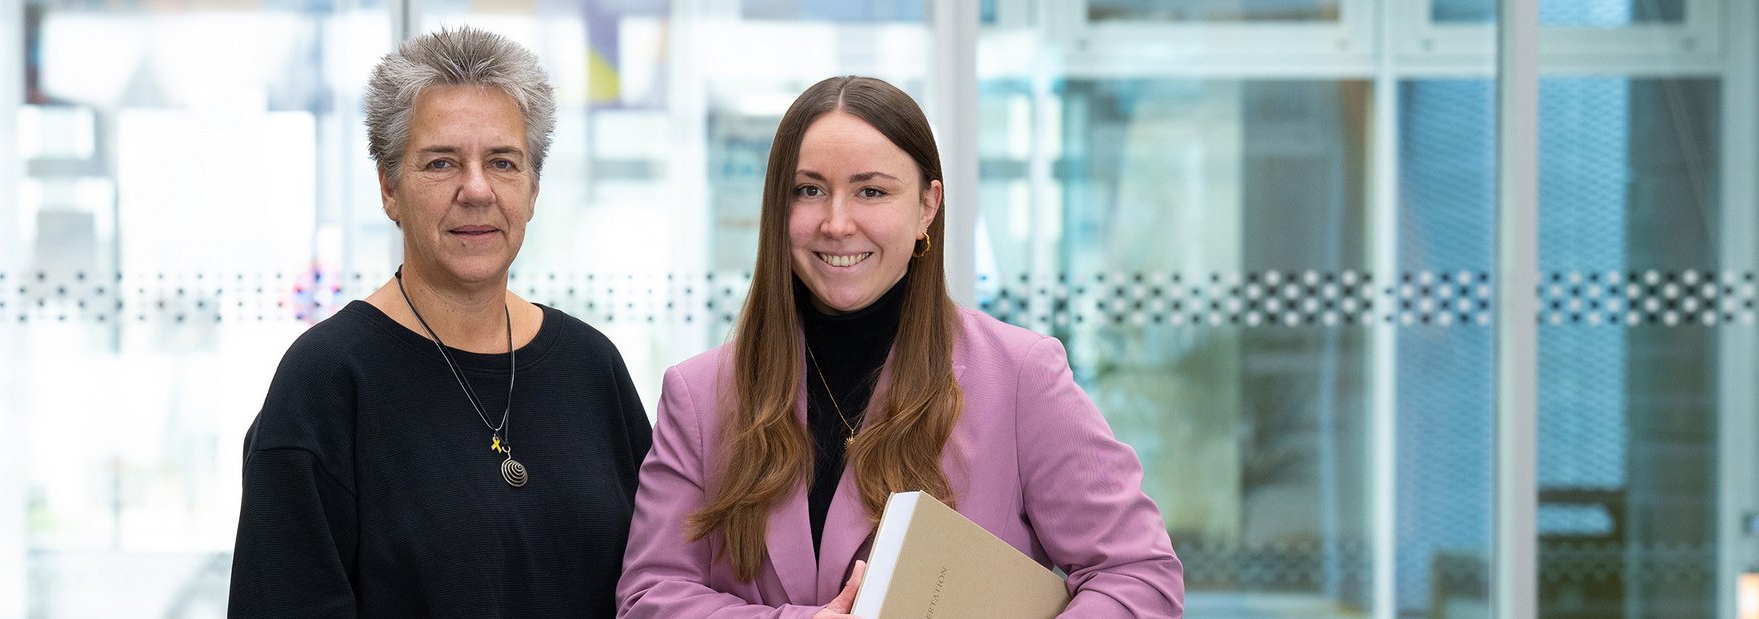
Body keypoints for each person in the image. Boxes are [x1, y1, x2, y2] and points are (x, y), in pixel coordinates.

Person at [615, 76, 1185, 618]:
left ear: (927, 207)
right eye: (809, 190)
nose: (838, 223)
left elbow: (1138, 576)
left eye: (872, 191)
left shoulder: (1020, 376)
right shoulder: (701, 394)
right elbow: (649, 596)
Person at [229, 27, 652, 618]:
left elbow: (657, 588)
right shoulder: (325, 379)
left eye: (503, 162)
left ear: (532, 189)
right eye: (441, 162)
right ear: (389, 187)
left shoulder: (590, 366)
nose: (476, 190)